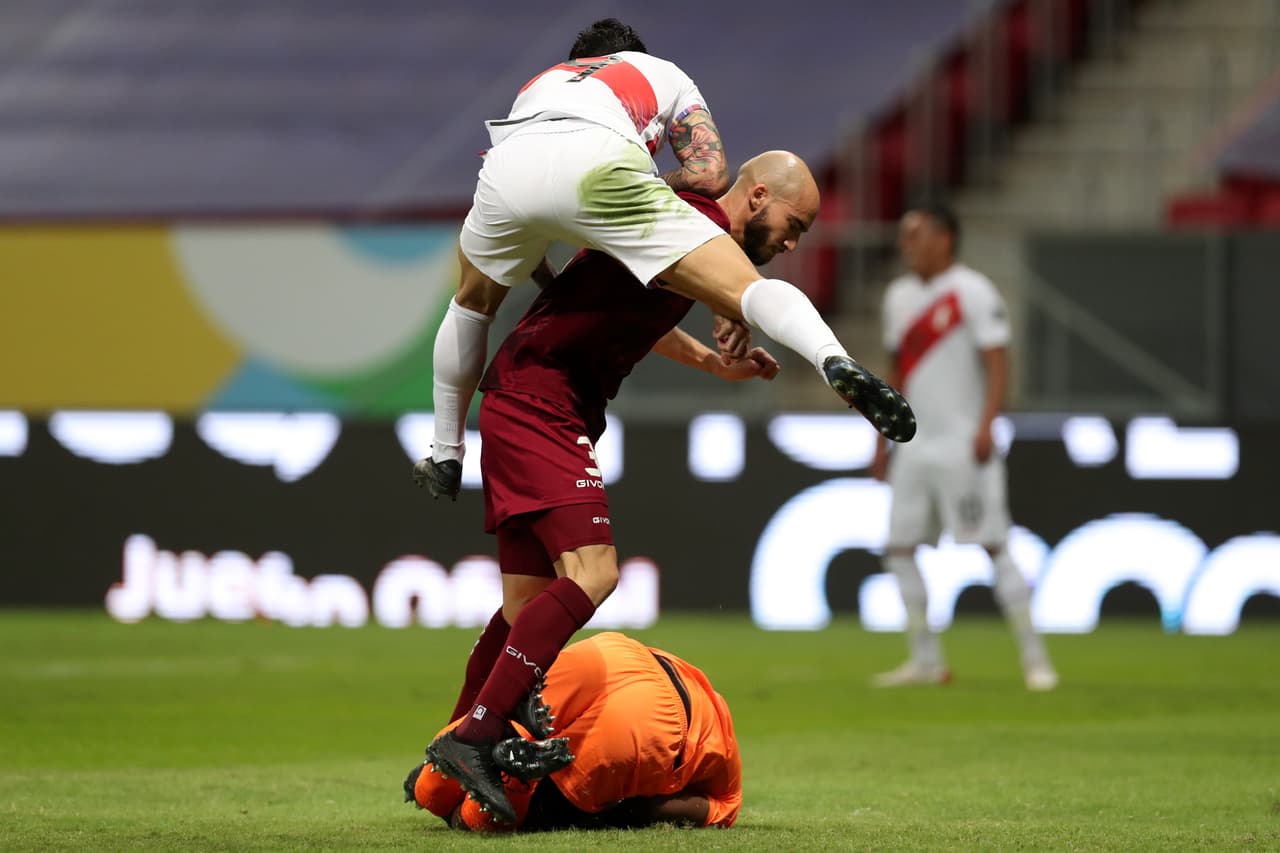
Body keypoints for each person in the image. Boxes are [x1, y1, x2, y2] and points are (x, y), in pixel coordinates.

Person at [414, 150, 814, 823]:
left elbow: (633, 309)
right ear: (757, 195)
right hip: (544, 398)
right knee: (594, 573)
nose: (795, 240)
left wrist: (715, 361)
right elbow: (602, 230)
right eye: (793, 221)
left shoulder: (683, 243)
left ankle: (446, 760)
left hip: (527, 393)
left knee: (526, 605)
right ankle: (480, 734)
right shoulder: (686, 220)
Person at [424, 17, 915, 507]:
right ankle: (832, 358)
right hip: (600, 159)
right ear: (633, 52)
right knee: (747, 288)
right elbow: (709, 174)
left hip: (508, 164)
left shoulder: (541, 82)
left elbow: (537, 216)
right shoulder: (660, 72)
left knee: (469, 306)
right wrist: (650, 193)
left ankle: (445, 451)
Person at [869, 202, 1058, 691]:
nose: (906, 244)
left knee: (993, 543)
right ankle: (925, 659)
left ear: (945, 238)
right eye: (904, 235)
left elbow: (997, 361)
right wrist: (881, 441)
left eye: (916, 234)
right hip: (913, 444)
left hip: (961, 442)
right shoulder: (899, 296)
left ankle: (1036, 659)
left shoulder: (973, 291)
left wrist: (987, 424)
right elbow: (896, 373)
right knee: (898, 548)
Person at [403, 631, 742, 832]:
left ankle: (431, 776)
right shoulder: (725, 781)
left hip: (620, 655)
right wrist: (615, 814)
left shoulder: (709, 699)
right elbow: (694, 810)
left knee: (477, 737)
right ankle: (519, 779)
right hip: (651, 724)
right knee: (531, 813)